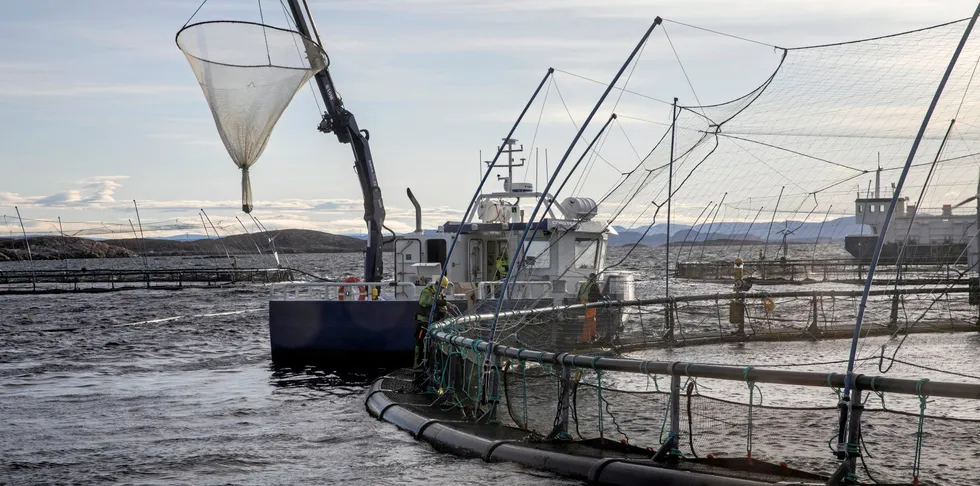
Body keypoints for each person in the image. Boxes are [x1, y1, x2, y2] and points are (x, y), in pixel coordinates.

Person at [413, 276, 451, 387]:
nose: (442, 290)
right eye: (442, 287)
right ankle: (418, 369)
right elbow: (427, 302)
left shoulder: (439, 295)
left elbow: (439, 307)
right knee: (420, 346)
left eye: (444, 288)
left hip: (433, 325)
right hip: (424, 324)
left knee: (432, 348)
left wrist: (445, 312)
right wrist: (444, 302)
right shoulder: (427, 292)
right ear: (437, 284)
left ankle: (430, 370)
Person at [577, 273, 603, 343]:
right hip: (590, 304)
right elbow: (598, 295)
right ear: (594, 278)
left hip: (583, 303)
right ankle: (585, 339)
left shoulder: (583, 284)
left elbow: (579, 295)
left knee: (593, 319)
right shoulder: (594, 285)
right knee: (589, 320)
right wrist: (604, 299)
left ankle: (592, 335)